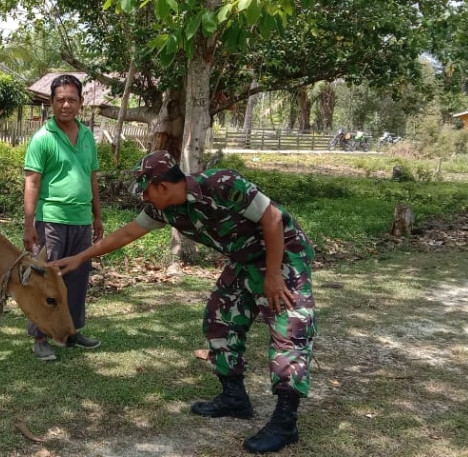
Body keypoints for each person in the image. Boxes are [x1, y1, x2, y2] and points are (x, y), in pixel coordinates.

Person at [49, 150, 316, 454]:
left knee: (289, 327)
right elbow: (127, 233)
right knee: (220, 318)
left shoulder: (222, 183)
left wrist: (273, 277)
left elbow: (273, 218)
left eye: (146, 191)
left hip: (282, 253)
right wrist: (81, 257)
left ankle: (285, 422)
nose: (144, 199)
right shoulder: (164, 209)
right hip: (243, 258)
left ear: (162, 186)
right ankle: (234, 398)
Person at [23, 74, 104, 361]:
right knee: (47, 281)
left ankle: (72, 331)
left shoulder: (86, 136)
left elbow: (92, 177)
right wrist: (29, 224)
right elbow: (32, 182)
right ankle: (41, 337)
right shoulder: (42, 139)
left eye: (72, 99)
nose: (66, 105)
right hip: (51, 220)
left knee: (79, 278)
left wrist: (97, 216)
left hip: (81, 220)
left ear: (81, 103)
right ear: (51, 103)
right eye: (60, 100)